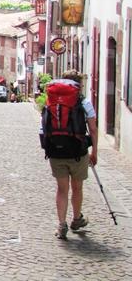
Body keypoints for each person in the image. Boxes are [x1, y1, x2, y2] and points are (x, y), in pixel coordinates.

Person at [47, 70, 98, 240]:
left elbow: (44, 127)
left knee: (62, 189)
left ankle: (61, 225)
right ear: (79, 84)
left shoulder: (52, 99)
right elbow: (92, 128)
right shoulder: (83, 101)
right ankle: (76, 219)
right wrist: (94, 151)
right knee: (77, 187)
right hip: (78, 151)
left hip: (56, 151)